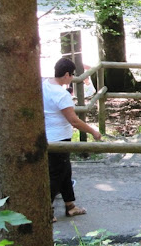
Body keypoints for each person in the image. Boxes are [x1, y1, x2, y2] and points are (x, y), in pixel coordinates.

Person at [43, 57, 101, 222]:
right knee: (56, 175)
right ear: (67, 74)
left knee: (65, 171)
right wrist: (93, 131)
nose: (73, 78)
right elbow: (74, 120)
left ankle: (70, 205)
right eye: (72, 75)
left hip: (49, 136)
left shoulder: (45, 85)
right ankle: (46, 209)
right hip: (59, 138)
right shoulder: (62, 94)